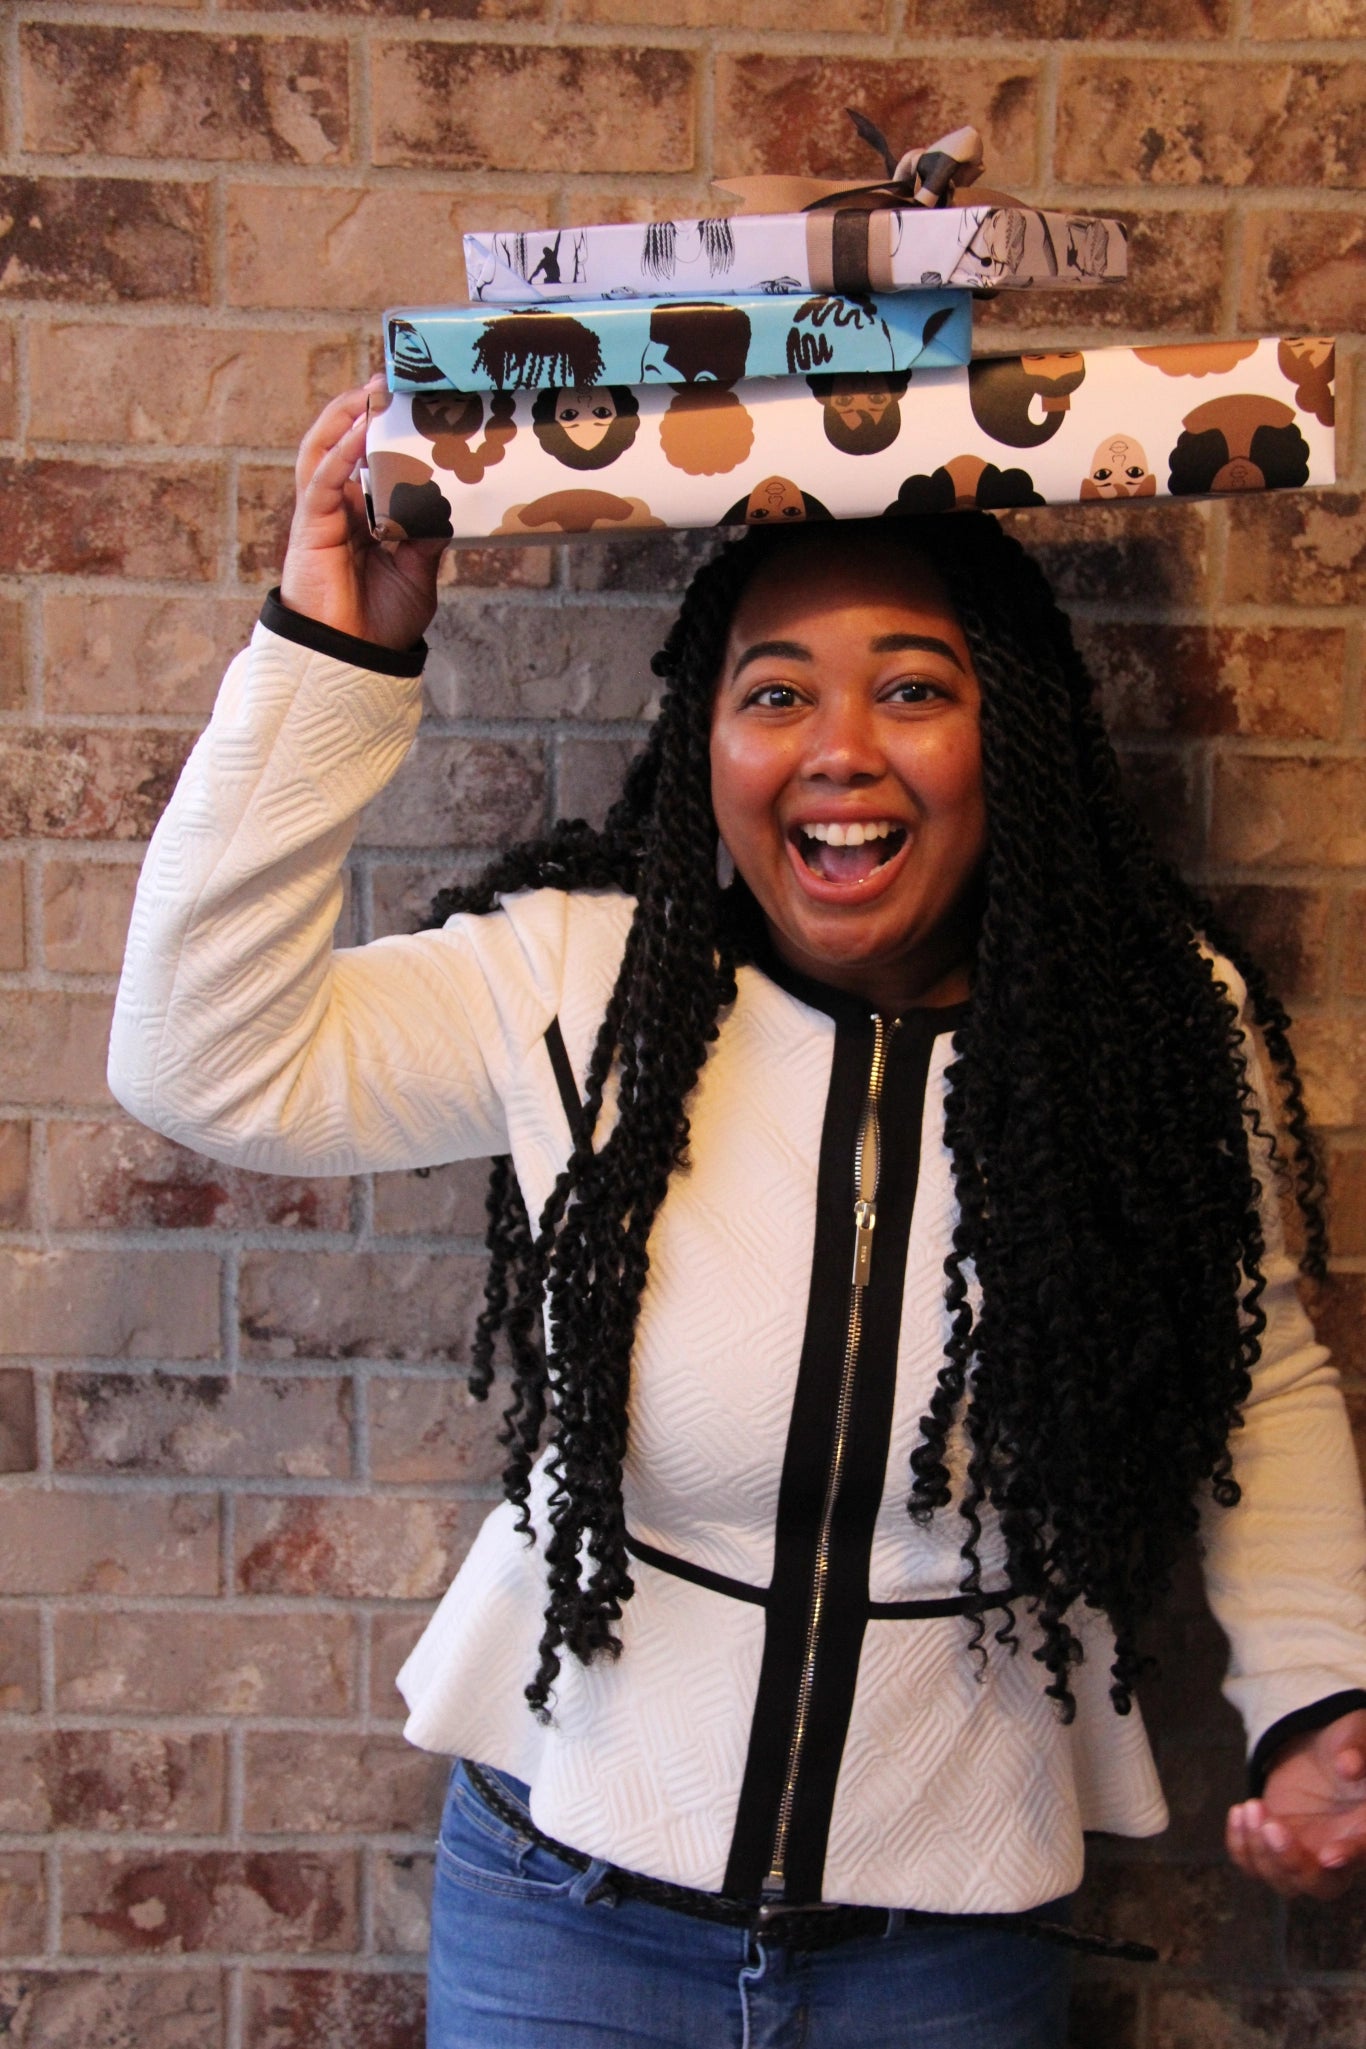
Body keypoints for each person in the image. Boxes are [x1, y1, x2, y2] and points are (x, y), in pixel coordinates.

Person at [109, 383, 1366, 2047]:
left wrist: (1313, 1698)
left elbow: (1252, 1375)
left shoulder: (1151, 1029)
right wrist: (329, 655)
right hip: (567, 1925)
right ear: (706, 738)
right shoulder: (577, 984)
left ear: (1018, 738)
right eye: (774, 694)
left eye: (912, 689)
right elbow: (201, 1058)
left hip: (943, 1949)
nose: (839, 749)